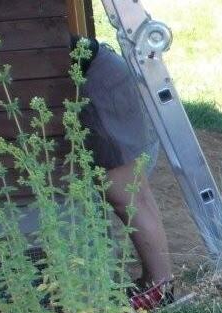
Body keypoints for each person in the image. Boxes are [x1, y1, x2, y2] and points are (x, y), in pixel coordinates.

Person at [73, 37, 173, 294]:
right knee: (135, 195)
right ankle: (156, 285)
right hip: (104, 77)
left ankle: (161, 291)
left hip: (98, 83)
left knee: (126, 197)